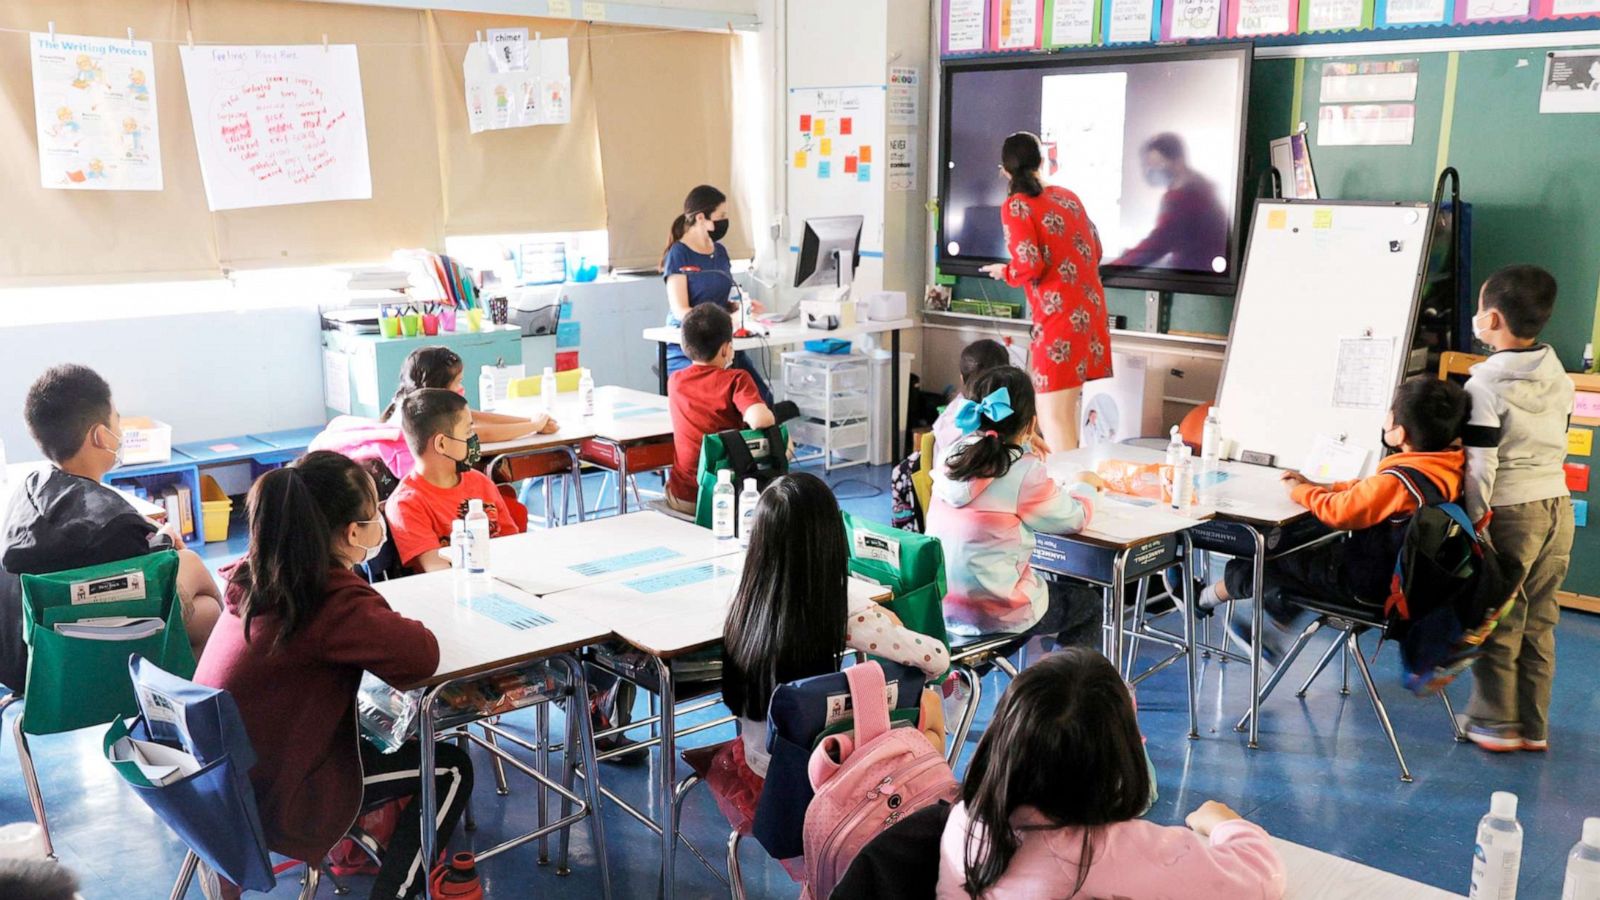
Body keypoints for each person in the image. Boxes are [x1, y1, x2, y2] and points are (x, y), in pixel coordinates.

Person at [195, 451, 472, 900]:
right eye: (373, 513)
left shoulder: (257, 575)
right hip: (277, 794)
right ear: (351, 533)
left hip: (213, 787)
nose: (379, 520)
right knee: (451, 767)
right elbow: (421, 656)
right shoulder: (329, 598)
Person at [937, 649, 1286, 899]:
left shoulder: (965, 821)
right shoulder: (1118, 851)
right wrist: (1226, 823)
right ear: (1121, 753)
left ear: (1002, 736)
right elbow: (1260, 878)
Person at [711, 473, 949, 828]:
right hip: (811, 782)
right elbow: (936, 658)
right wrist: (888, 621)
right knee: (929, 706)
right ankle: (919, 817)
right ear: (828, 541)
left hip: (755, 762)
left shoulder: (745, 594)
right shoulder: (842, 610)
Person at [1190, 377, 1471, 661]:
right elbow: (1367, 491)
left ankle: (1204, 599)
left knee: (1274, 555)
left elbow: (1340, 512)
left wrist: (1301, 491)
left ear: (1398, 434)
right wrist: (1321, 487)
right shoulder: (1445, 469)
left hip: (1364, 587)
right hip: (1400, 586)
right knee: (1307, 560)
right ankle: (1272, 629)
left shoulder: (1396, 483)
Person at [0, 365, 221, 691]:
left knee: (204, 608)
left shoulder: (28, 488)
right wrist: (165, 544)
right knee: (203, 596)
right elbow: (145, 590)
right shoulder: (114, 523)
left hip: (27, 661)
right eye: (116, 419)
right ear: (100, 435)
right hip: (87, 662)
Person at [1460, 265, 1575, 753]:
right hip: (1558, 507)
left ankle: (1493, 724)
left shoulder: (1483, 385)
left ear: (1491, 318)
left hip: (1510, 510)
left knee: (1501, 613)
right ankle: (1533, 726)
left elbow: (1481, 464)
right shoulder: (1559, 374)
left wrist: (1476, 515)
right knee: (1540, 619)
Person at [925, 365, 1100, 645]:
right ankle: (1063, 688)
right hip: (998, 613)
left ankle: (969, 675)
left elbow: (993, 455)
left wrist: (1025, 445)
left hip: (943, 608)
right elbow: (1074, 518)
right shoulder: (1023, 471)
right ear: (1031, 424)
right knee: (1089, 604)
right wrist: (1085, 484)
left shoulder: (951, 456)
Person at [980, 133, 1112, 451]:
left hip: (1058, 322)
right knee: (1065, 417)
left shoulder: (1016, 205)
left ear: (1005, 171)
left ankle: (1069, 496)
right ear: (1042, 162)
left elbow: (1029, 265)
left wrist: (1006, 271)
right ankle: (1069, 492)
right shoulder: (1067, 196)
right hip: (1089, 317)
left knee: (1053, 419)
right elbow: (1095, 250)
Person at [386, 388, 520, 573]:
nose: (474, 439)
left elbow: (513, 544)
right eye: (468, 431)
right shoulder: (406, 504)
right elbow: (438, 571)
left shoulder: (479, 481)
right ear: (441, 444)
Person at [661, 184, 773, 404]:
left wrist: (742, 307)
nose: (725, 221)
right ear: (701, 218)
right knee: (721, 402)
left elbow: (720, 299)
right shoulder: (678, 255)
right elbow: (680, 309)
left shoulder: (720, 251)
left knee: (762, 399)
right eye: (720, 216)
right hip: (693, 348)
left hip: (723, 345)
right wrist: (718, 322)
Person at [890, 339, 1016, 532]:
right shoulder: (1000, 419)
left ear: (961, 377)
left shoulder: (954, 413)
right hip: (978, 519)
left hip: (939, 514)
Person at [664, 304, 775, 515]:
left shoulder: (675, 381)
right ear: (726, 348)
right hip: (725, 499)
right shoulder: (736, 379)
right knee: (783, 442)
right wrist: (770, 412)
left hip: (683, 497)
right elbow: (760, 420)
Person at [379, 346, 557, 444]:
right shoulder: (424, 415)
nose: (461, 387)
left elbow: (476, 416)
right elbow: (481, 434)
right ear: (438, 387)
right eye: (458, 382)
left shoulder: (414, 401)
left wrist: (529, 421)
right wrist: (534, 425)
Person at [1110, 133, 1231, 274]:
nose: (1152, 171)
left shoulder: (1185, 197)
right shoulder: (1202, 186)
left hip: (1196, 279)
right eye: (1149, 165)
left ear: (1178, 162)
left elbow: (1157, 244)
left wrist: (1112, 268)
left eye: (1158, 164)